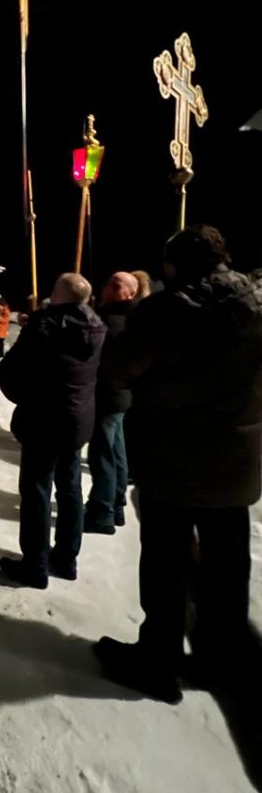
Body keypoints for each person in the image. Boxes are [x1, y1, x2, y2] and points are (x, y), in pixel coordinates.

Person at [94, 226, 262, 704]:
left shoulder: (167, 310)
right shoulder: (255, 304)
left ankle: (158, 663)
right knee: (227, 566)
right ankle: (222, 660)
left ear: (174, 265)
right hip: (237, 460)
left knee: (167, 564)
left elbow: (120, 369)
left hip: (174, 458)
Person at [0, 273, 106, 588]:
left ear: (57, 296)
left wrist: (24, 397)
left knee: (37, 492)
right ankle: (67, 558)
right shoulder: (96, 327)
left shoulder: (44, 328)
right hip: (76, 420)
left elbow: (11, 372)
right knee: (70, 489)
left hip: (43, 421)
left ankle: (35, 565)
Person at [83, 272, 138, 534]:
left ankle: (102, 511)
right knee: (116, 450)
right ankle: (115, 505)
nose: (108, 289)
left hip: (108, 394)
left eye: (115, 286)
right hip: (120, 395)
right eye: (108, 283)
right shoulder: (132, 317)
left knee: (102, 453)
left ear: (130, 293)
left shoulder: (111, 320)